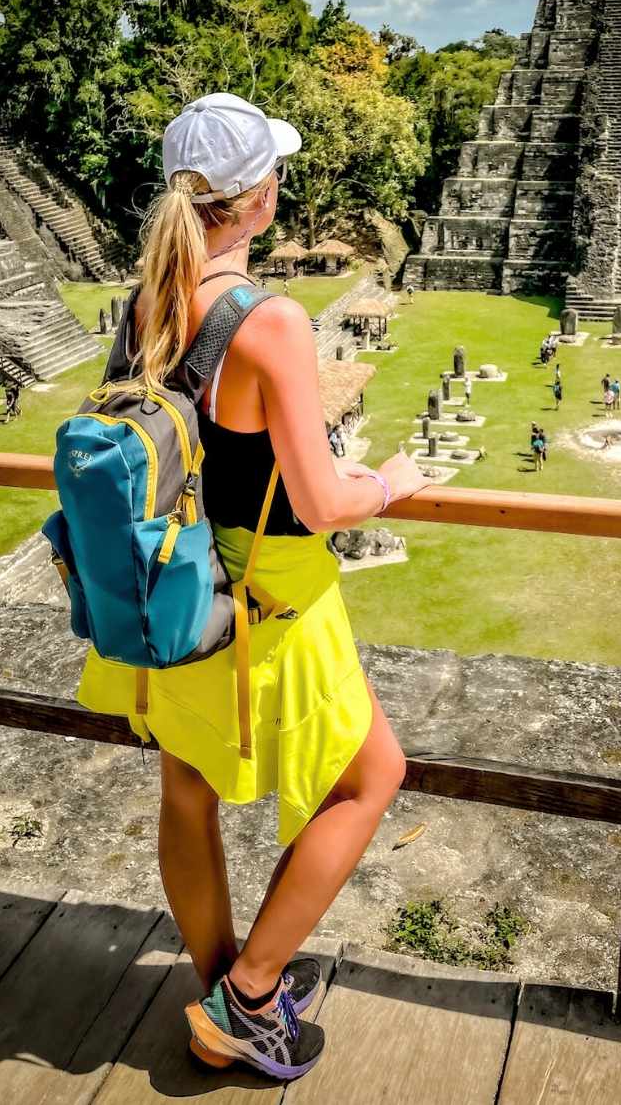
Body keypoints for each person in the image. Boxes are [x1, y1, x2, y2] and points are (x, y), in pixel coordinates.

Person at [74, 92, 425, 1080]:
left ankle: (225, 982)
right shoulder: (267, 320)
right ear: (261, 196)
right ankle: (248, 994)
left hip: (172, 579)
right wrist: (389, 483)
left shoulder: (148, 298)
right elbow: (317, 498)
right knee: (372, 776)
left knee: (186, 786)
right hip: (268, 589)